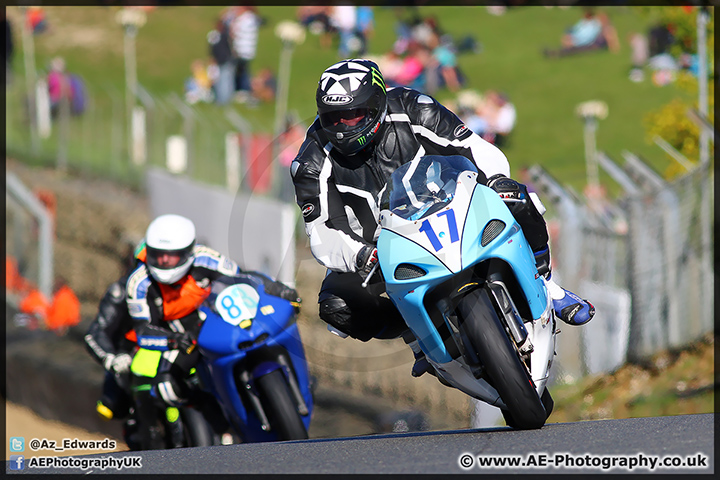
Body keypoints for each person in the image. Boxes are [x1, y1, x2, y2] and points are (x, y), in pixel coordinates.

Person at [290, 59, 594, 377]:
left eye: (354, 115)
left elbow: (473, 148)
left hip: (442, 207)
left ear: (378, 102)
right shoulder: (310, 161)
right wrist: (363, 255)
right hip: (375, 247)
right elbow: (323, 232)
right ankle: (417, 335)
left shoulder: (413, 107)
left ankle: (546, 284)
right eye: (333, 118)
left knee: (512, 194)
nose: (344, 126)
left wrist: (492, 180)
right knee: (337, 307)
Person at [125, 214, 300, 448]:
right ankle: (214, 414)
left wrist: (275, 288)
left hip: (214, 323)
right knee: (167, 387)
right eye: (158, 254)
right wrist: (173, 340)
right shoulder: (138, 282)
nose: (164, 260)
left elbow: (242, 278)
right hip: (178, 338)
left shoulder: (206, 258)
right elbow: (143, 331)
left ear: (188, 251)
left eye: (172, 254)